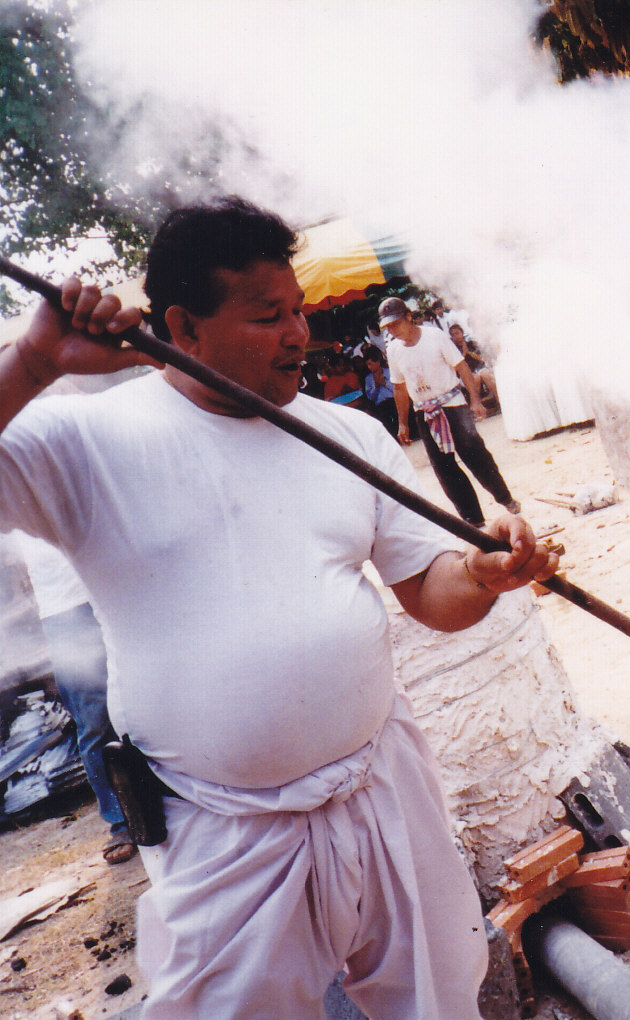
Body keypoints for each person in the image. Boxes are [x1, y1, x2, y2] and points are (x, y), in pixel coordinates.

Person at [0, 196, 559, 1018]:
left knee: (439, 995)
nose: (299, 333)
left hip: (381, 785)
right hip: (220, 828)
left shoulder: (348, 436)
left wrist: (481, 575)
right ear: (183, 327)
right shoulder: (84, 441)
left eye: (297, 309)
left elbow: (429, 593)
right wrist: (33, 361)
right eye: (268, 317)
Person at [8, 530, 133, 864]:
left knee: (142, 701)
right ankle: (121, 822)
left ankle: (170, 803)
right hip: (64, 613)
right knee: (93, 723)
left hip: (112, 591)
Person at [381, 296, 520, 522]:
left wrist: (475, 401)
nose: (392, 330)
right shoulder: (394, 350)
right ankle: (473, 518)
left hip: (452, 404)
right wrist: (403, 423)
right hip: (424, 411)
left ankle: (505, 498)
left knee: (476, 455)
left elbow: (462, 367)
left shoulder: (434, 336)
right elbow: (399, 388)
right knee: (444, 469)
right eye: (388, 326)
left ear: (408, 317)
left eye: (395, 324)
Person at [361, 345, 398, 435]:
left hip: (393, 401)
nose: (369, 367)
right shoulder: (368, 378)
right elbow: (371, 397)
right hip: (381, 405)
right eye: (367, 365)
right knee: (384, 420)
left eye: (370, 364)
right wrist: (376, 386)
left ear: (377, 361)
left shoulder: (389, 372)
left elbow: (397, 389)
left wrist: (384, 383)